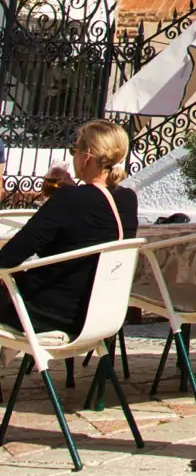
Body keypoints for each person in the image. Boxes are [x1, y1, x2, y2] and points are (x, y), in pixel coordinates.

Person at [0, 121, 138, 335]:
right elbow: (83, 235)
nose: (73, 156)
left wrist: (64, 199)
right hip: (98, 316)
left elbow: (12, 255)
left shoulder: (69, 199)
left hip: (46, 313)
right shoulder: (127, 199)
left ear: (87, 155)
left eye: (74, 150)